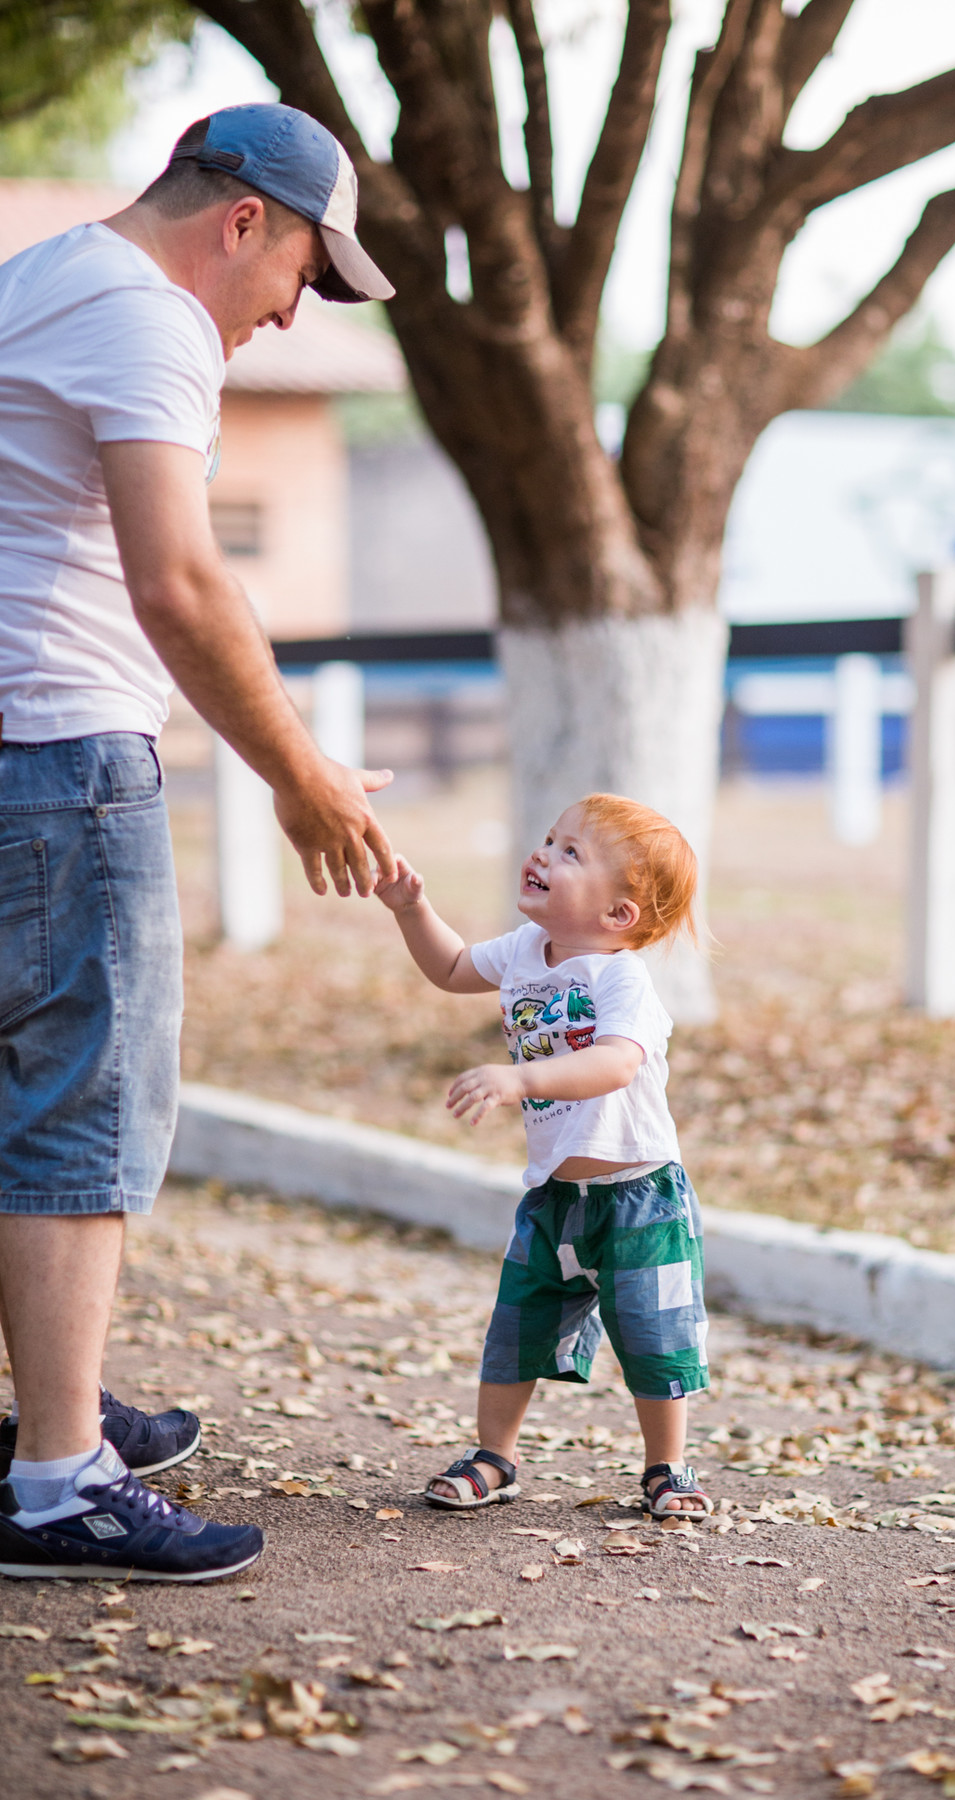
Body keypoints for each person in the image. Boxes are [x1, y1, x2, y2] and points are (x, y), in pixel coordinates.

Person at [0, 104, 399, 1581]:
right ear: (242, 221)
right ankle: (57, 1482)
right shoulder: (145, 319)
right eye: (305, 268)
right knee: (80, 1118)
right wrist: (299, 777)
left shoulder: (39, 277)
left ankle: (48, 1406)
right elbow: (179, 576)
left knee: (20, 1098)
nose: (297, 310)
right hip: (56, 753)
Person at [375, 793, 715, 1518]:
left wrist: (520, 1077)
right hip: (556, 1196)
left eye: (570, 853)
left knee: (655, 1342)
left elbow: (617, 1064)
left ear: (618, 915)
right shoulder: (527, 953)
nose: (543, 854)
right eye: (550, 838)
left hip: (638, 1193)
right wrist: (411, 910)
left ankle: (667, 1467)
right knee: (518, 1328)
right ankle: (496, 1456)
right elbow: (455, 967)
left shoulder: (621, 979)